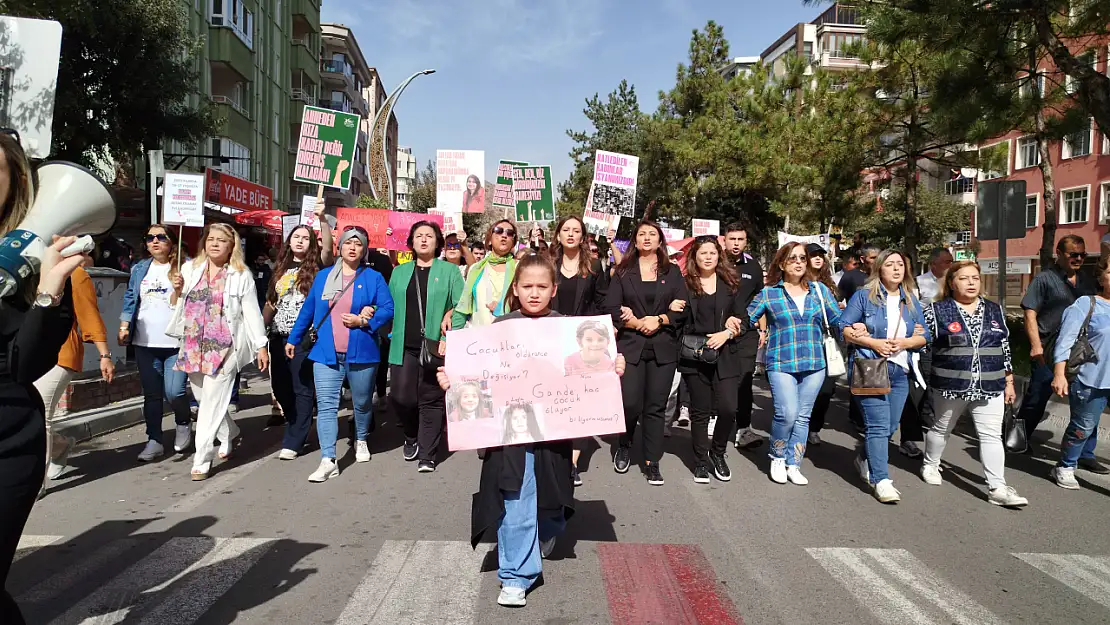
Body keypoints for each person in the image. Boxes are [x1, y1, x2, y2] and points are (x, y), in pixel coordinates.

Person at [436, 253, 626, 608]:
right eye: (527, 286)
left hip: (555, 431)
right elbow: (478, 378)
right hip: (511, 433)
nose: (534, 293)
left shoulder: (568, 329)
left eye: (542, 286)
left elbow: (589, 375)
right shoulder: (497, 329)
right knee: (515, 500)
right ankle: (515, 576)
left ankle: (545, 531)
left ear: (554, 289)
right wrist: (453, 380)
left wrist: (612, 366)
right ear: (515, 289)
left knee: (552, 504)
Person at [0, 132, 92, 625]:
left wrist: (48, 293)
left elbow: (25, 365)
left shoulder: (36, 257)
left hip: (8, 438)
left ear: (15, 182)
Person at [286, 226, 394, 483]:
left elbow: (388, 308)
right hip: (326, 354)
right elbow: (309, 310)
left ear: (364, 249)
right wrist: (293, 338)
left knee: (362, 403)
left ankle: (361, 438)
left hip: (363, 353)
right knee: (326, 406)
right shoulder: (323, 277)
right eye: (348, 243)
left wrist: (364, 320)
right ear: (340, 247)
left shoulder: (373, 277)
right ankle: (328, 459)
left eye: (358, 243)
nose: (353, 247)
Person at [920, 261, 1028, 507]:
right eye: (964, 278)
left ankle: (997, 487)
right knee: (941, 428)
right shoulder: (937, 311)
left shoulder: (994, 310)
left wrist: (1009, 379)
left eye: (975, 278)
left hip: (990, 383)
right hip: (951, 383)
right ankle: (931, 464)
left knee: (991, 435)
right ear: (951, 283)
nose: (971, 283)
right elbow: (923, 344)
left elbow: (1004, 347)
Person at [168, 223, 270, 481]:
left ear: (231, 246)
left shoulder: (240, 274)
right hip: (193, 345)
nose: (214, 244)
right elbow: (176, 304)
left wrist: (261, 344)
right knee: (205, 400)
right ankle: (229, 432)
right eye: (211, 239)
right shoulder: (190, 269)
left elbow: (251, 312)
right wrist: (177, 289)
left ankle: (202, 456)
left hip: (225, 346)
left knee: (211, 404)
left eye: (221, 240)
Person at [747, 242, 842, 485]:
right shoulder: (770, 293)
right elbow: (747, 318)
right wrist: (729, 327)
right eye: (792, 258)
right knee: (786, 413)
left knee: (802, 416)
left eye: (802, 258)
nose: (799, 262)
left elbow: (839, 321)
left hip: (814, 363)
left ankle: (794, 463)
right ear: (781, 264)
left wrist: (860, 329)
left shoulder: (820, 291)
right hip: (781, 362)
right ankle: (777, 457)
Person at [840, 250, 929, 503]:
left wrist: (906, 342)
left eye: (900, 264)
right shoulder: (864, 297)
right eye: (890, 264)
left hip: (900, 370)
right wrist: (872, 341)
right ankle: (881, 479)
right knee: (878, 426)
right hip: (870, 366)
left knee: (890, 427)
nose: (896, 269)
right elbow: (844, 328)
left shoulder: (910, 300)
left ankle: (865, 458)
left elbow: (925, 336)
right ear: (879, 269)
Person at [606, 220, 689, 486]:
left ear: (660, 241)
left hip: (663, 347)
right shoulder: (623, 271)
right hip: (631, 345)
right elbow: (611, 306)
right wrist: (634, 322)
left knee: (655, 406)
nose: (646, 238)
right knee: (630, 402)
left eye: (652, 234)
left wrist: (661, 318)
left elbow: (683, 307)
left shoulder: (672, 272)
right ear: (635, 240)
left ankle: (652, 461)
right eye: (641, 234)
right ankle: (625, 442)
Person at [1019, 235, 1104, 470]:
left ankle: (1086, 453)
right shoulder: (1045, 279)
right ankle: (1018, 438)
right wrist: (1036, 346)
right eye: (1073, 254)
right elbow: (1030, 313)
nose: (1078, 258)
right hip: (1048, 349)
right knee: (1037, 398)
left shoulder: (1087, 281)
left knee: (1088, 402)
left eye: (1082, 255)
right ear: (1059, 253)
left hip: (1081, 354)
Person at [388, 221, 463, 473]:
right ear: (411, 242)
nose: (423, 240)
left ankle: (428, 454)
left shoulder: (450, 271)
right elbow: (388, 305)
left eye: (429, 236)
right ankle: (411, 435)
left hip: (435, 346)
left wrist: (451, 315)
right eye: (418, 236)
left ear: (437, 241)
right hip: (403, 345)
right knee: (401, 397)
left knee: (431, 399)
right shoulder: (399, 272)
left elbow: (462, 304)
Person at [36, 265, 115, 491]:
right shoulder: (21, 269)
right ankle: (59, 446)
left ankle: (35, 483)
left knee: (42, 414)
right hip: (23, 352)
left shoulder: (75, 273)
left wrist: (105, 355)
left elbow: (88, 314)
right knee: (28, 416)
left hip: (59, 353)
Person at [119, 225, 193, 461]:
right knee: (151, 395)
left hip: (176, 342)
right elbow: (131, 297)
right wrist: (124, 325)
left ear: (172, 241)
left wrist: (183, 289)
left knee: (174, 392)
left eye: (161, 237)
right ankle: (154, 440)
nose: (155, 241)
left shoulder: (185, 267)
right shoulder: (140, 268)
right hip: (145, 341)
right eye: (149, 237)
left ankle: (183, 422)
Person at [550, 215, 610, 485]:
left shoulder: (595, 266)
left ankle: (572, 464)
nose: (571, 234)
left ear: (583, 236)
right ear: (558, 235)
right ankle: (552, 456)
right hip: (550, 340)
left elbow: (602, 302)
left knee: (580, 402)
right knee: (554, 400)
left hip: (583, 343)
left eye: (576, 230)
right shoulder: (547, 264)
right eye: (566, 230)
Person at [681, 236, 745, 484]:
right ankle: (700, 461)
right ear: (695, 257)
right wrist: (676, 307)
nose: (708, 257)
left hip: (725, 353)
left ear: (719, 256)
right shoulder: (685, 284)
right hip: (695, 354)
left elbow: (743, 317)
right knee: (700, 411)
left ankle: (717, 452)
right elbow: (679, 319)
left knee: (729, 408)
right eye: (703, 253)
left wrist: (729, 330)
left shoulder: (730, 284)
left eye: (712, 253)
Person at [263, 224, 324, 460]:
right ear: (288, 241)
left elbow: (327, 248)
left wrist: (322, 220)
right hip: (277, 336)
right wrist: (260, 330)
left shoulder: (318, 269)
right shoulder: (280, 268)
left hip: (303, 338)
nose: (299, 241)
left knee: (302, 387)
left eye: (305, 238)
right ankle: (297, 420)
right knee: (280, 387)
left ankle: (295, 438)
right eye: (295, 237)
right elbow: (271, 302)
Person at [1050, 253, 1110, 490]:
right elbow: (1065, 341)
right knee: (1083, 426)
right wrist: (1059, 373)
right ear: (1101, 277)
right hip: (1091, 378)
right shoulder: (1086, 304)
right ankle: (1065, 466)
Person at [722, 223, 765, 450]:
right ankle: (714, 420)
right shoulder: (716, 263)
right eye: (732, 239)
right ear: (724, 240)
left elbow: (760, 299)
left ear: (745, 242)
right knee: (717, 378)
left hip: (746, 332)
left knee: (744, 380)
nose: (736, 243)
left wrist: (763, 329)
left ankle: (743, 429)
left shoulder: (754, 267)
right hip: (718, 331)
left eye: (740, 239)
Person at [452, 219, 519, 329]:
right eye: (499, 231)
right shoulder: (476, 269)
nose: (504, 235)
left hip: (510, 337)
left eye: (510, 233)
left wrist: (502, 310)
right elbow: (463, 309)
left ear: (513, 241)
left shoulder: (520, 268)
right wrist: (449, 338)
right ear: (489, 240)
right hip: (479, 338)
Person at [804, 244, 839, 446]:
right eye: (813, 255)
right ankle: (800, 424)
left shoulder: (829, 284)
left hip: (828, 340)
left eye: (821, 256)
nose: (818, 259)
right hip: (806, 340)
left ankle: (814, 427)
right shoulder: (798, 283)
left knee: (826, 389)